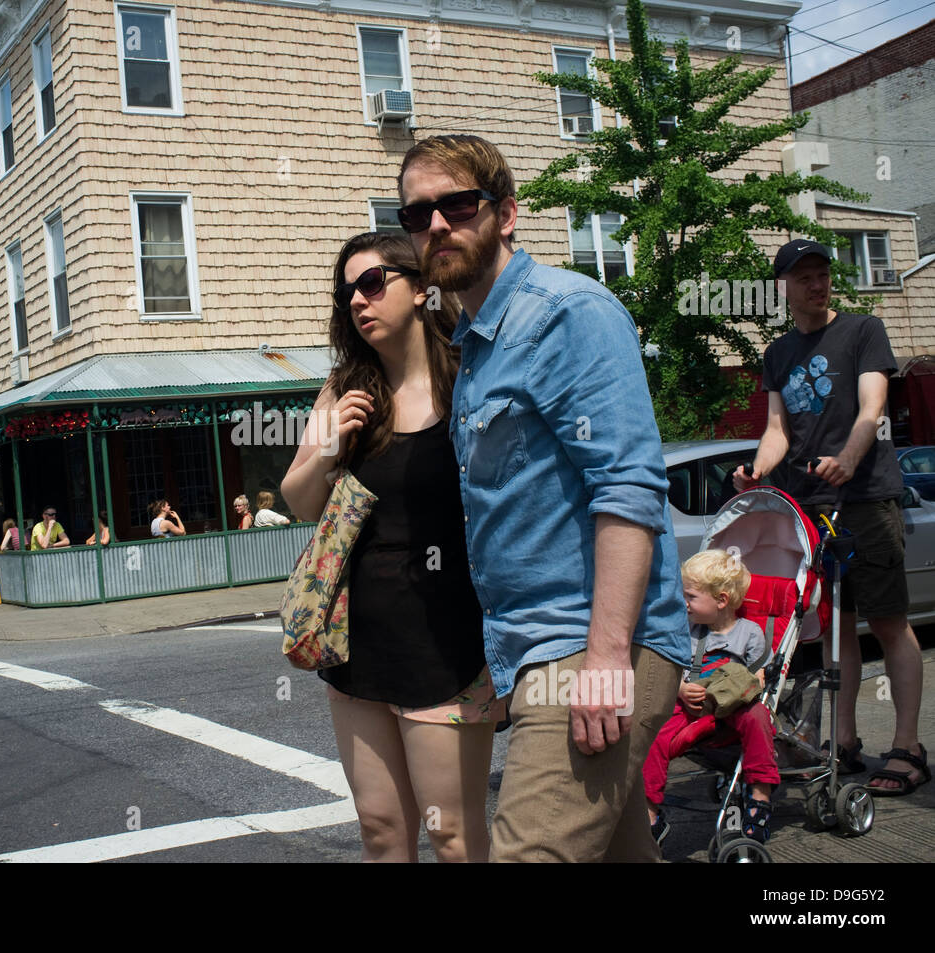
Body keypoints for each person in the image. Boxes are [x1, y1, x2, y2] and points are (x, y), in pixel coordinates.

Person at [397, 134, 689, 862]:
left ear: (507, 214)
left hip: (586, 648)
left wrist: (605, 656)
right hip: (537, 653)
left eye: (457, 205)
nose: (436, 225)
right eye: (416, 214)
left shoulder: (566, 313)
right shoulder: (476, 347)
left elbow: (628, 487)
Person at [282, 231, 504, 863]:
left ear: (420, 288)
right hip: (360, 642)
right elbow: (301, 502)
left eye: (373, 283)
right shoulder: (346, 388)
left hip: (450, 641)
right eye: (347, 289)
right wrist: (329, 446)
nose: (358, 300)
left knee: (453, 834)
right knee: (380, 828)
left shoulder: (470, 379)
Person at [733, 239, 928, 796]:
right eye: (804, 278)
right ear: (784, 288)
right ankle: (841, 742)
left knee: (888, 622)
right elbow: (777, 431)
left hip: (864, 498)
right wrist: (758, 472)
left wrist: (847, 458)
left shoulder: (863, 331)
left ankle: (908, 747)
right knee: (832, 625)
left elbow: (873, 409)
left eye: (823, 275)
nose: (817, 285)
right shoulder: (777, 353)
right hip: (806, 507)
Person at [643, 551, 779, 846]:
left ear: (721, 600)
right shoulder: (688, 630)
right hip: (694, 706)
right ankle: (649, 812)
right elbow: (673, 666)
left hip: (733, 707)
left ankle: (760, 794)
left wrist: (753, 683)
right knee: (653, 733)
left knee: (758, 716)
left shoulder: (749, 633)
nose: (684, 603)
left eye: (691, 596)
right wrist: (679, 687)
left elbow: (758, 679)